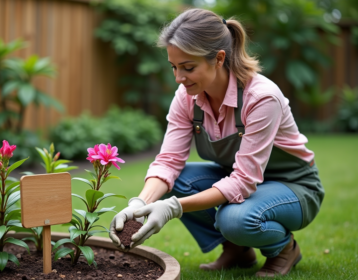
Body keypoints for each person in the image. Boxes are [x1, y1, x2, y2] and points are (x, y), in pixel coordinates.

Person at [109, 8, 324, 277]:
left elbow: (244, 181)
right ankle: (236, 250)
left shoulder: (261, 98)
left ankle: (284, 249)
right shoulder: (186, 97)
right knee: (176, 181)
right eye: (174, 67)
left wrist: (173, 207)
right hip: (240, 180)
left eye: (188, 68)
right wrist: (139, 205)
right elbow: (168, 162)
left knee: (235, 219)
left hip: (293, 186)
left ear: (219, 58)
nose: (178, 78)